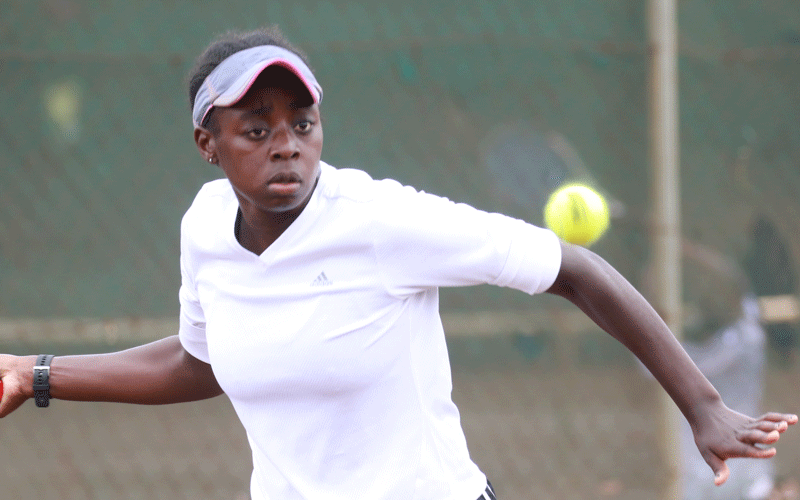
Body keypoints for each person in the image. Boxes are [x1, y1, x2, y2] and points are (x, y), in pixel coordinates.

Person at [0, 26, 796, 500]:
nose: (286, 142)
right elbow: (202, 361)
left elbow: (574, 268)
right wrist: (35, 374)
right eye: (256, 126)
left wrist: (703, 406)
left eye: (301, 122)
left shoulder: (383, 220)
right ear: (207, 144)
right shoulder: (206, 227)